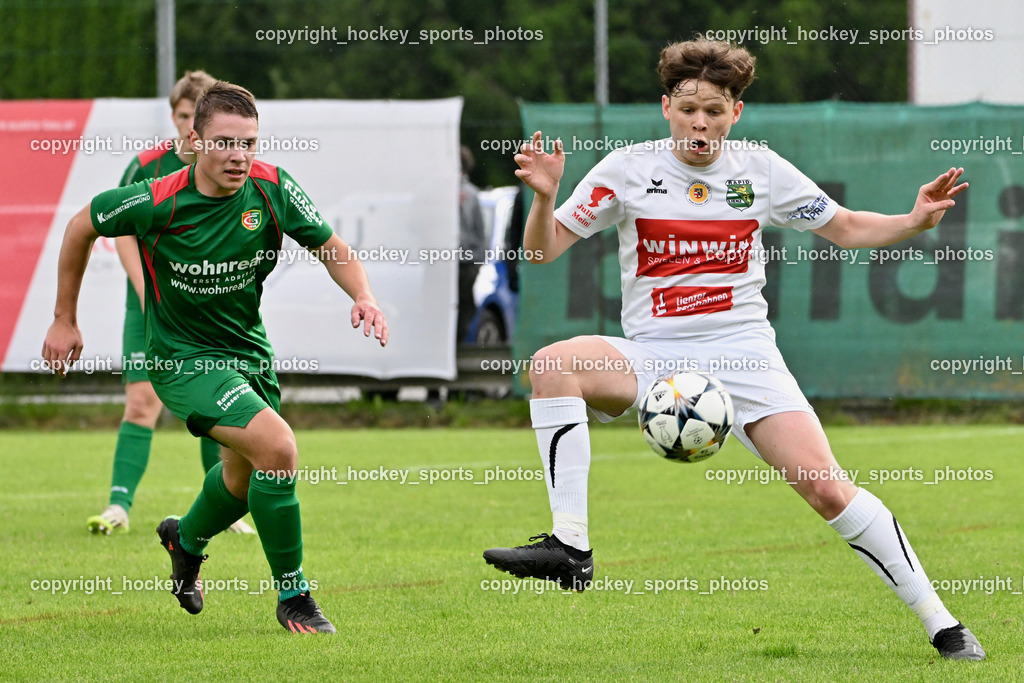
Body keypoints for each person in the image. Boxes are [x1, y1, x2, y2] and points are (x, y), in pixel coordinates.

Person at [483, 38, 985, 661]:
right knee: (554, 365)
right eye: (689, 108)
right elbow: (542, 250)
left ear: (735, 114)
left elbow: (847, 226)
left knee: (827, 490)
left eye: (715, 111)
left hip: (744, 356)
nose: (701, 122)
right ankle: (571, 548)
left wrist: (912, 220)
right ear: (666, 106)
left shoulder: (760, 170)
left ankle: (944, 625)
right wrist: (543, 198)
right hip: (655, 355)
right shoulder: (628, 169)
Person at [43, 81, 388, 634]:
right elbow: (80, 225)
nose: (239, 155)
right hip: (181, 358)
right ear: (195, 140)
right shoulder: (157, 198)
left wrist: (364, 296)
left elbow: (332, 248)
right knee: (278, 447)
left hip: (247, 351)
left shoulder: (273, 188)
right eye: (225, 142)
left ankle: (186, 538)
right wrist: (64, 318)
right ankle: (294, 595)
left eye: (249, 142)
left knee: (241, 478)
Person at [86, 70, 255, 536]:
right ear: (178, 117)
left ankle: (222, 505)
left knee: (221, 404)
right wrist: (147, 290)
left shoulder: (235, 172)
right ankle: (118, 506)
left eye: (193, 115)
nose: (187, 125)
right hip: (149, 306)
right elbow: (115, 233)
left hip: (204, 309)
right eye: (182, 115)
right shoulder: (148, 166)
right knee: (142, 402)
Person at [457, 145, 486, 343]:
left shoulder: (471, 195)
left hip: (467, 262)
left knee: (465, 302)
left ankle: (462, 339)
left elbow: (479, 231)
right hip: (445, 260)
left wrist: (477, 259)